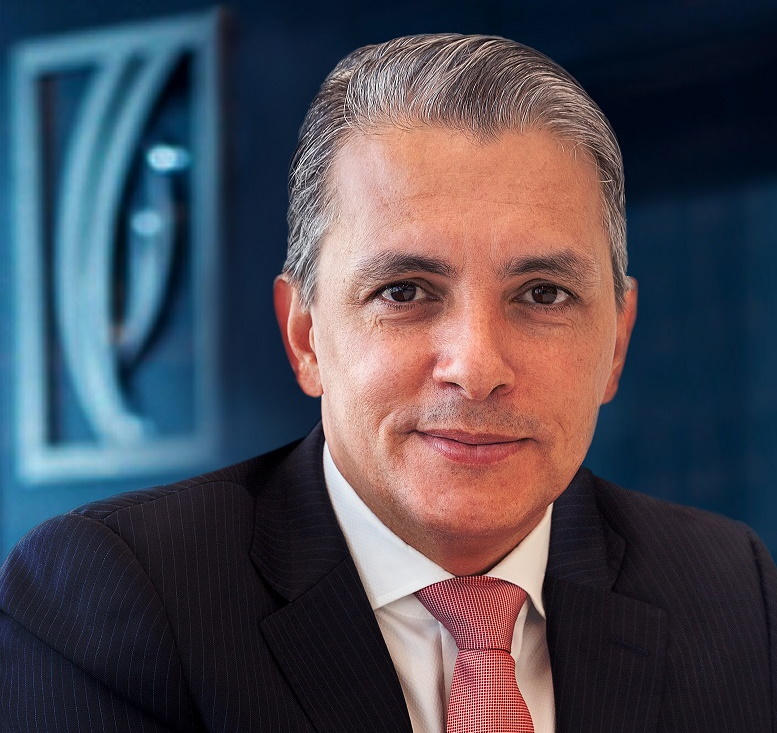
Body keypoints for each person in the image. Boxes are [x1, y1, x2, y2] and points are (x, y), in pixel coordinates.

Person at [1, 32, 775, 733]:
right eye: (404, 291)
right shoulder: (114, 600)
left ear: (616, 342)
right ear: (305, 336)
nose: (476, 367)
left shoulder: (732, 591)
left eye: (542, 294)